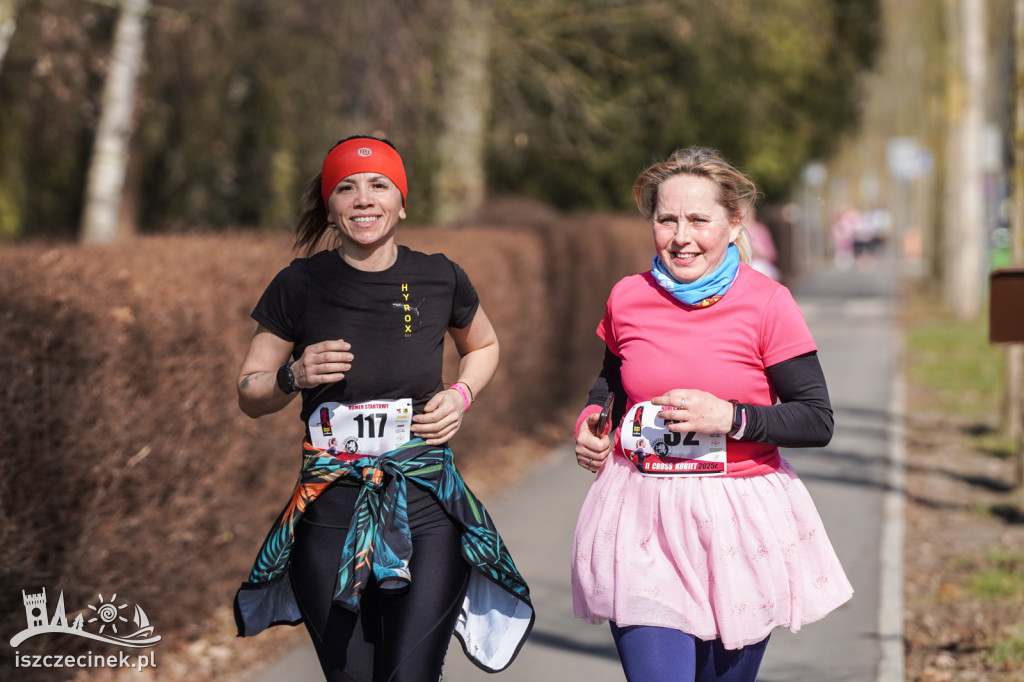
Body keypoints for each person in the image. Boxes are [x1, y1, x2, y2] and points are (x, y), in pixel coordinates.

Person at [232, 136, 534, 681]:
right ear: (329, 206)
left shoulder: (439, 276)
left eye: (379, 186)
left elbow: (484, 346)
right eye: (346, 188)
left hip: (425, 508)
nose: (363, 199)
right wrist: (292, 375)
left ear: (402, 201)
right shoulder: (299, 285)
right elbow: (250, 391)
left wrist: (460, 395)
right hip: (329, 512)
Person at [571, 147, 853, 681]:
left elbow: (816, 420)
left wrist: (730, 417)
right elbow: (612, 378)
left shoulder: (768, 303)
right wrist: (594, 418)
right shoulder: (628, 297)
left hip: (737, 523)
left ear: (733, 223)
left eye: (699, 220)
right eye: (667, 219)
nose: (682, 236)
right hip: (642, 515)